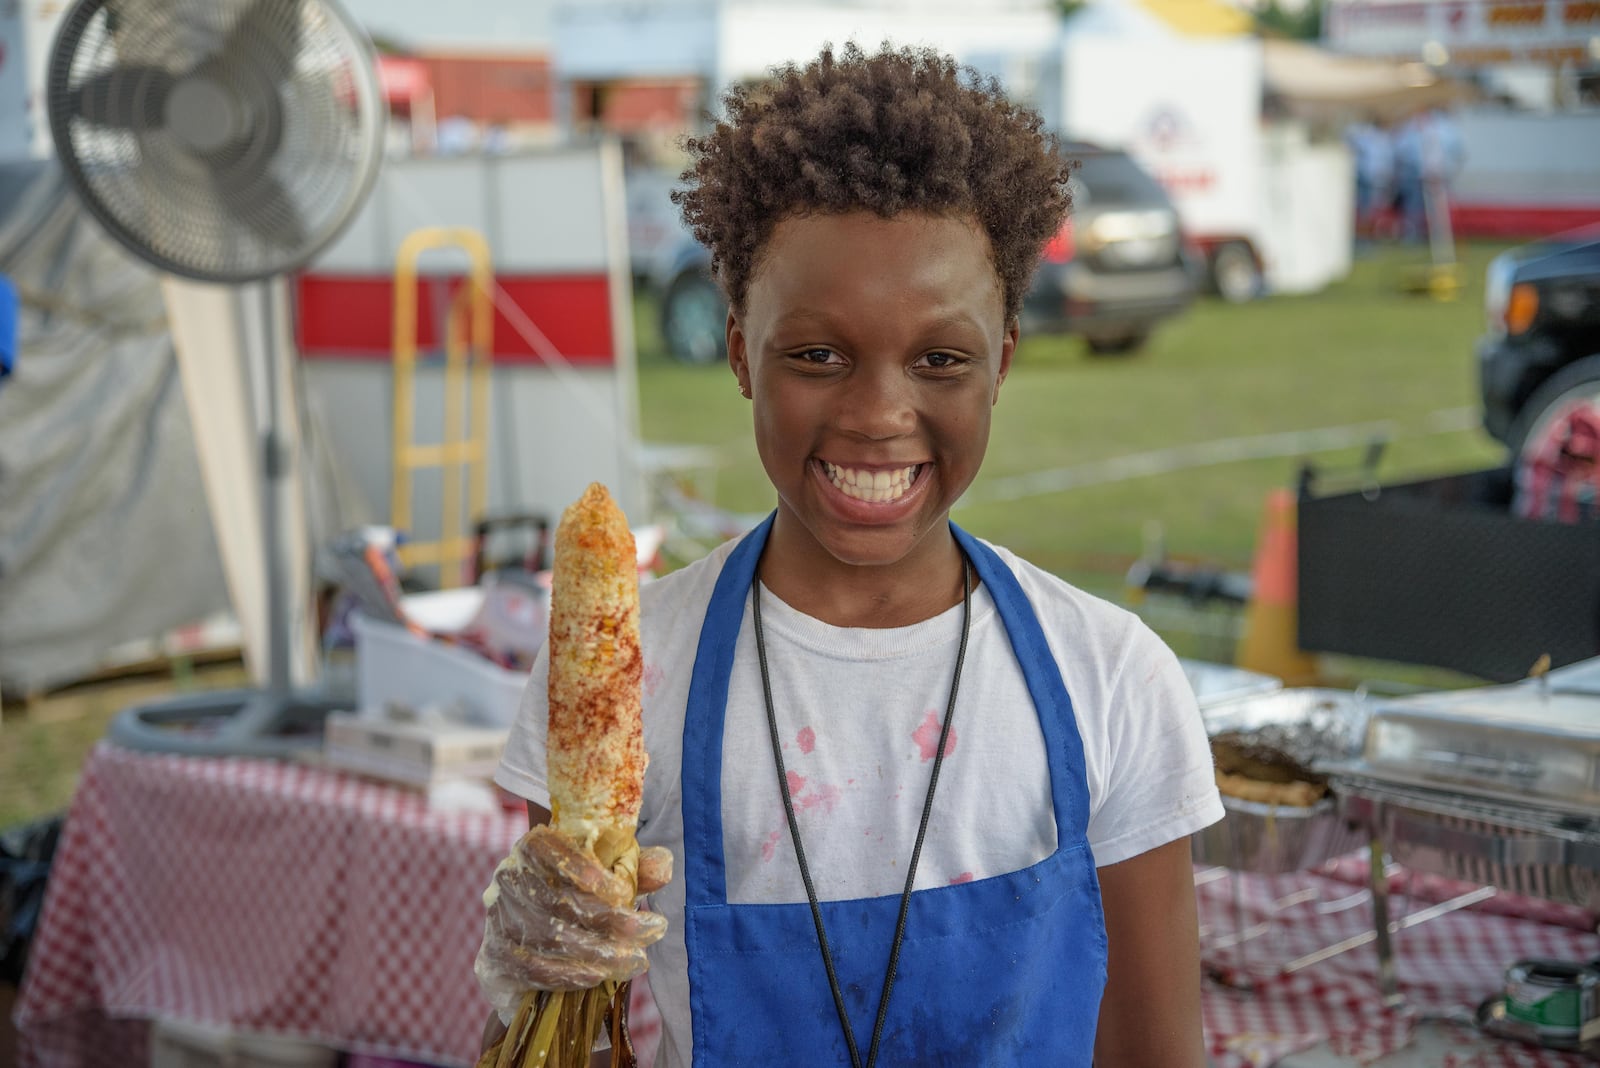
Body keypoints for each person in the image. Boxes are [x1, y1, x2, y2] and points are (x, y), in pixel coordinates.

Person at [477, 43, 1222, 1067]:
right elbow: (562, 1049)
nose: (878, 415)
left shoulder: (1113, 678)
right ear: (740, 350)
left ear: (1001, 360)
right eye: (816, 355)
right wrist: (532, 977)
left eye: (940, 358)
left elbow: (1154, 1053)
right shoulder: (635, 673)